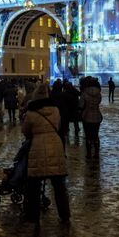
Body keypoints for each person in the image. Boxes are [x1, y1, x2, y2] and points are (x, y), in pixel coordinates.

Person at [22, 83, 70, 224]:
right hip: (55, 146)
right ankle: (65, 215)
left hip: (37, 147)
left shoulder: (31, 113)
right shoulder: (55, 110)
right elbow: (59, 126)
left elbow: (25, 132)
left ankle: (33, 215)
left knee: (34, 186)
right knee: (59, 186)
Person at [80, 77, 103, 158]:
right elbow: (99, 101)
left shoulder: (84, 93)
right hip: (97, 116)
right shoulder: (99, 94)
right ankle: (96, 153)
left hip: (87, 116)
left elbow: (81, 105)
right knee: (96, 134)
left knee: (88, 135)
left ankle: (89, 153)